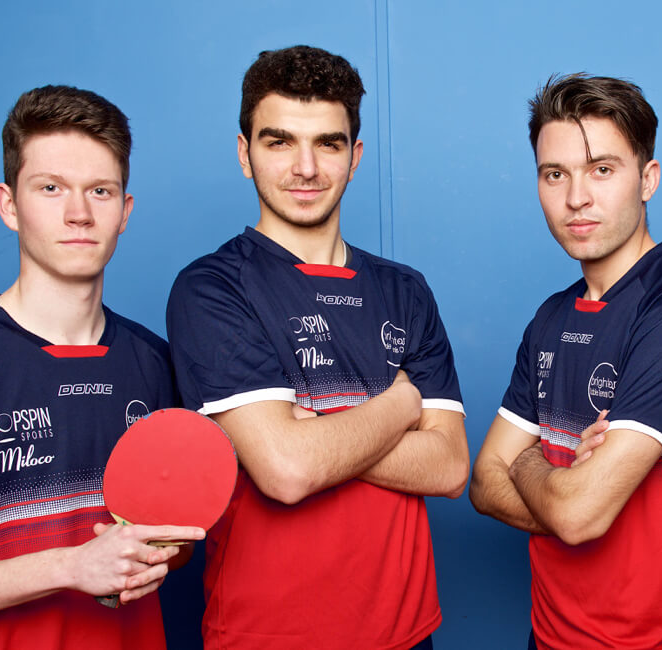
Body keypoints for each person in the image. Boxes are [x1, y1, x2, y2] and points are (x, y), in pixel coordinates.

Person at [165, 45, 468, 650]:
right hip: (267, 635)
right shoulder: (212, 288)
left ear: (354, 158)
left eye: (327, 143)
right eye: (279, 141)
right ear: (245, 154)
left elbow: (450, 467)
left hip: (405, 635)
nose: (305, 167)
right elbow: (287, 471)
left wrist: (311, 433)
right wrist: (400, 406)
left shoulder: (404, 291)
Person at [0, 85, 204, 649]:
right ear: (9, 205)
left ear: (125, 212)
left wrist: (160, 549)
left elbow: (174, 543)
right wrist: (68, 567)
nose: (79, 213)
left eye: (100, 191)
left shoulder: (157, 365)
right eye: (51, 188)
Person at [469, 73, 662, 650]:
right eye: (554, 174)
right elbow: (483, 483)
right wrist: (564, 488)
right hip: (550, 634)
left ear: (648, 179)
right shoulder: (551, 317)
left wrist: (532, 464)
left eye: (602, 170)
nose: (576, 198)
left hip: (654, 641)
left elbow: (578, 516)